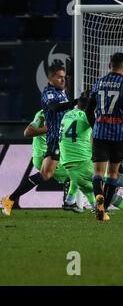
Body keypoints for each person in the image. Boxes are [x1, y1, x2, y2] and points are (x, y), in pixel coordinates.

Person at [59, 92, 123, 218]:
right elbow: (102, 131)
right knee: (111, 176)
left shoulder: (67, 115)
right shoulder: (86, 116)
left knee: (106, 194)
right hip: (83, 163)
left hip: (70, 169)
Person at [2, 64, 78, 216]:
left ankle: (72, 201)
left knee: (60, 172)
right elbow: (55, 108)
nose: (62, 79)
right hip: (55, 140)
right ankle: (10, 199)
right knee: (47, 174)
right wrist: (77, 102)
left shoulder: (61, 92)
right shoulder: (49, 94)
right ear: (50, 79)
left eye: (64, 77)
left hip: (65, 141)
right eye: (59, 77)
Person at [86, 52, 123, 221]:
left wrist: (96, 126)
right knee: (112, 174)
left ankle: (99, 201)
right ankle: (103, 209)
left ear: (109, 65)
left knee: (98, 173)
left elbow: (88, 111)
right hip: (119, 135)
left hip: (100, 133)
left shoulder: (98, 83)